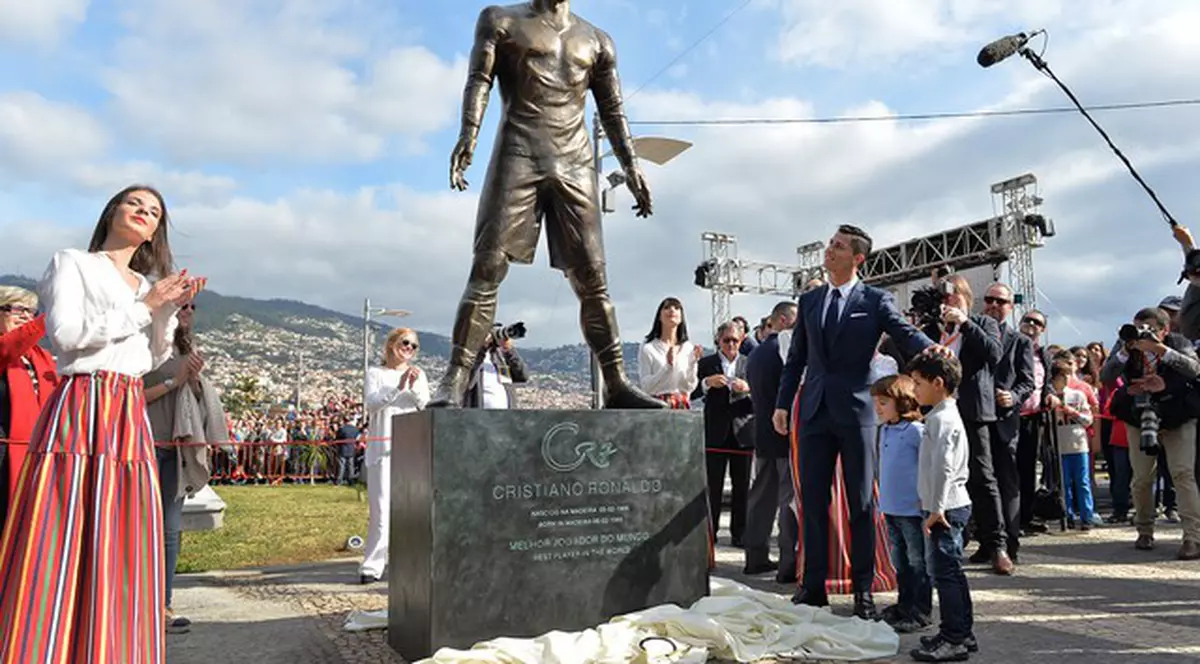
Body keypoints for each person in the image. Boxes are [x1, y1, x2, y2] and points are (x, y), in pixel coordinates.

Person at [0, 185, 199, 663]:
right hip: (82, 402)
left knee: (122, 532)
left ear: (155, 232)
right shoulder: (73, 263)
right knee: (61, 527)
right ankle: (44, 647)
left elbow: (151, 357)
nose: (144, 212)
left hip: (126, 407)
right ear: (113, 212)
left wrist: (166, 309)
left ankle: (109, 647)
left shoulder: (144, 285)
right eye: (135, 204)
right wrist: (145, 307)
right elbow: (66, 334)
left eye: (154, 212)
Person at [432, 0, 662, 409]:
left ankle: (615, 382)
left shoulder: (598, 41)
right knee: (487, 267)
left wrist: (631, 165)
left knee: (593, 279)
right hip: (518, 152)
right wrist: (469, 133)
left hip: (576, 161)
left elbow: (612, 110)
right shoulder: (501, 20)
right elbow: (479, 80)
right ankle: (456, 376)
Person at [773, 224, 938, 619]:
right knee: (813, 502)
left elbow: (904, 333)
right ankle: (813, 587)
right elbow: (796, 358)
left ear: (857, 258)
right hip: (813, 413)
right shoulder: (810, 300)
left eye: (839, 246)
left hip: (857, 413)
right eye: (830, 244)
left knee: (861, 503)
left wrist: (934, 350)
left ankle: (862, 589)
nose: (829, 250)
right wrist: (782, 404)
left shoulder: (876, 300)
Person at [144, 300, 223, 633]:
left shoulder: (186, 346)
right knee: (141, 528)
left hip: (176, 449)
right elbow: (131, 396)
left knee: (170, 530)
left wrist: (193, 381)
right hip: (144, 446)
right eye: (181, 305)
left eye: (192, 306)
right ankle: (136, 605)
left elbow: (188, 398)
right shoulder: (146, 344)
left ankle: (163, 605)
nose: (188, 311)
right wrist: (175, 381)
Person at [1100, 307, 1200, 559]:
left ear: (1165, 330)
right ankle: (1144, 529)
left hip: (1177, 414)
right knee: (1142, 477)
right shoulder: (1126, 344)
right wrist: (1125, 351)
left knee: (1183, 473)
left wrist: (1160, 350)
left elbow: (1194, 369)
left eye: (1150, 329)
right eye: (1138, 328)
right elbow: (1106, 375)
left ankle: (1193, 537)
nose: (1142, 333)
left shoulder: (1178, 342)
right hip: (1139, 415)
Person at [908, 352, 977, 662]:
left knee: (945, 574)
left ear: (938, 383)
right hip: (946, 503)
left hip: (945, 507)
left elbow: (943, 467)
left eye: (918, 383)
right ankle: (961, 631)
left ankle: (954, 638)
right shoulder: (941, 414)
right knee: (952, 573)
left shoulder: (940, 419)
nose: (914, 390)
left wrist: (935, 509)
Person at [360, 328, 430, 584]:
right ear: (392, 344)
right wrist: (398, 386)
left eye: (414, 346)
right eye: (405, 343)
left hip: (411, 448)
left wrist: (413, 387)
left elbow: (425, 406)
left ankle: (410, 563)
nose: (409, 348)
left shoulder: (419, 375)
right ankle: (373, 565)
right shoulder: (375, 373)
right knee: (381, 507)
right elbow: (372, 404)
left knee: (412, 507)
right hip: (382, 449)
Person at [744, 302, 800, 584]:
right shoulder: (786, 350)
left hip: (762, 434)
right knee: (787, 499)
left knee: (760, 498)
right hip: (785, 433)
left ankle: (755, 557)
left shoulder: (755, 353)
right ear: (784, 320)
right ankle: (788, 563)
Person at [871, 375, 930, 634]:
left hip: (912, 509)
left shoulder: (916, 431)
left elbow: (927, 466)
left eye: (883, 403)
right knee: (900, 561)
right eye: (876, 402)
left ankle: (920, 610)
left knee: (917, 561)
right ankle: (904, 604)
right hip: (891, 508)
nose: (878, 408)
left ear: (903, 402)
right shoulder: (884, 430)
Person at [0, 287, 59, 530]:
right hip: (4, 454)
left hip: (36, 452)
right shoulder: (6, 349)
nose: (26, 316)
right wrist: (51, 316)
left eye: (31, 311)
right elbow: (10, 346)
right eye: (17, 309)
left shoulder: (42, 356)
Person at [695, 321, 753, 549]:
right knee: (712, 486)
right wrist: (707, 383)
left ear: (742, 341)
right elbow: (692, 391)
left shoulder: (750, 363)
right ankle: (710, 533)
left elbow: (764, 393)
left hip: (743, 433)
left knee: (742, 487)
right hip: (715, 433)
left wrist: (748, 388)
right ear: (718, 340)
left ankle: (741, 533)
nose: (730, 344)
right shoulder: (706, 363)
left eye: (735, 340)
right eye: (726, 340)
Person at [1047, 359, 1095, 530]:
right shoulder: (1048, 397)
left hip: (1078, 443)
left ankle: (1087, 516)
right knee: (1064, 483)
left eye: (1068, 375)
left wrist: (1074, 413)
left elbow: (1088, 420)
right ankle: (1067, 515)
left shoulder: (1077, 395)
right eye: (1062, 376)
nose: (1066, 379)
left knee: (1082, 482)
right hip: (1059, 444)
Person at [638, 297, 702, 409]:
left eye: (677, 308)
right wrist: (668, 366)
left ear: (681, 317)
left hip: (682, 406)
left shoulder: (688, 348)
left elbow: (689, 386)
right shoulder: (648, 348)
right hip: (657, 406)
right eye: (667, 307)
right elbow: (646, 387)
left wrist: (692, 364)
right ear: (659, 316)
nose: (672, 310)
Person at [463, 327, 529, 408]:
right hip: (480, 413)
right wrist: (483, 349)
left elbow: (523, 376)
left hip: (506, 413)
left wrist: (509, 350)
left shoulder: (499, 357)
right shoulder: (469, 356)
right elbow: (468, 381)